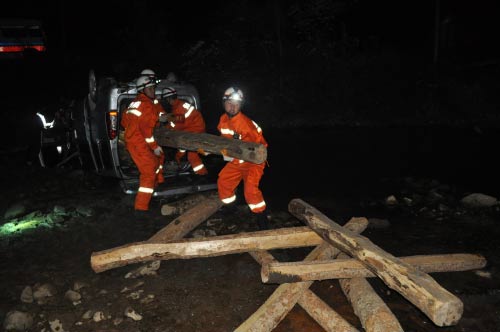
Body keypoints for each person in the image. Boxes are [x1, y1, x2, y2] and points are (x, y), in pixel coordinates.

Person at [217, 87, 269, 230]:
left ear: (241, 105)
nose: (233, 107)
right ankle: (231, 210)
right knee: (224, 181)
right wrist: (222, 153)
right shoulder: (223, 120)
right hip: (237, 160)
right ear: (224, 103)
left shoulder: (245, 124)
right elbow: (224, 142)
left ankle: (263, 223)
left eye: (236, 104)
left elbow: (260, 148)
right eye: (229, 103)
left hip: (253, 161)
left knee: (251, 192)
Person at [120, 75, 165, 216]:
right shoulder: (146, 105)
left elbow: (123, 122)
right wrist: (155, 147)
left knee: (155, 163)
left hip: (135, 140)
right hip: (138, 143)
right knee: (148, 173)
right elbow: (146, 132)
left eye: (153, 88)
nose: (153, 91)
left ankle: (154, 188)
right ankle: (141, 208)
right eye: (150, 88)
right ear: (142, 90)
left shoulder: (136, 102)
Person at [161, 87, 208, 176]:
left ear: (169, 99)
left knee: (192, 155)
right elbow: (178, 123)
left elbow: (177, 126)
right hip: (193, 130)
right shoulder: (180, 105)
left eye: (166, 100)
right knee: (184, 149)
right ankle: (179, 161)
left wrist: (165, 129)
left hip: (194, 132)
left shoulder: (179, 108)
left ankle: (202, 174)